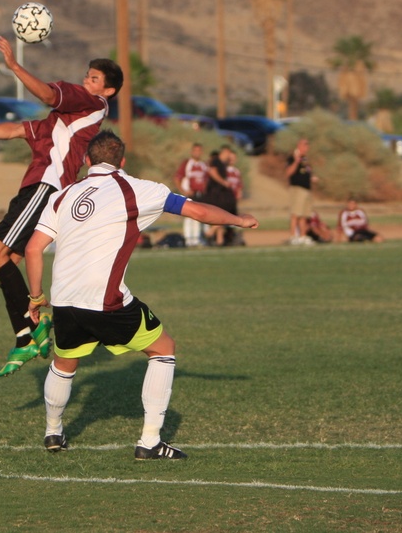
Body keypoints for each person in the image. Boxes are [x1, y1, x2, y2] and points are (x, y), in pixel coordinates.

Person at [24, 131, 258, 459]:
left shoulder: (63, 196)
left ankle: (52, 432)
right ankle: (149, 442)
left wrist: (36, 298)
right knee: (164, 349)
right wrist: (238, 220)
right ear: (122, 161)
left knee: (64, 363)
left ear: (87, 161)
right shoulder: (138, 188)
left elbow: (34, 249)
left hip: (64, 299)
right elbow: (200, 213)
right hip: (104, 300)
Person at [0, 36, 122, 377]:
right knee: (9, 260)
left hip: (46, 186)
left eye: (95, 79)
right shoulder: (57, 122)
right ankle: (30, 330)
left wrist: (13, 65)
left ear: (108, 92)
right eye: (87, 76)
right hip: (43, 189)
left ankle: (29, 330)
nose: (87, 82)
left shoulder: (90, 102)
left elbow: (46, 93)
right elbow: (14, 129)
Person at [172, 142, 208, 247]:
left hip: (199, 194)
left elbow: (205, 180)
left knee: (198, 216)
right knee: (188, 216)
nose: (197, 153)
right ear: (192, 152)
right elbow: (177, 178)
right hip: (189, 194)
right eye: (195, 150)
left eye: (199, 151)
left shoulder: (203, 165)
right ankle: (188, 239)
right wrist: (183, 191)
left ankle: (196, 239)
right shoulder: (187, 163)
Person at [285, 138, 319, 246]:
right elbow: (288, 172)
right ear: (299, 145)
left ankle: (302, 236)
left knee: (304, 215)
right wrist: (296, 161)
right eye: (304, 145)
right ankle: (293, 236)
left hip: (306, 190)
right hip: (297, 189)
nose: (306, 148)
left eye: (307, 145)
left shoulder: (305, 159)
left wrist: (311, 178)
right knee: (296, 213)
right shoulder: (293, 157)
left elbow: (305, 173)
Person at [202, 145, 237, 246]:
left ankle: (219, 240)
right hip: (215, 195)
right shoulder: (216, 161)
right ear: (225, 152)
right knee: (223, 213)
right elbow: (212, 172)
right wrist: (223, 182)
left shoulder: (222, 164)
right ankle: (210, 232)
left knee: (221, 214)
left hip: (220, 194)